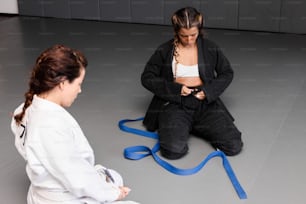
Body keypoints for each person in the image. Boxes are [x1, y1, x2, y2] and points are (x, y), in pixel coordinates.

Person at [11, 45, 139, 204]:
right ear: (63, 83)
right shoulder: (51, 126)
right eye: (78, 84)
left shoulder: (23, 110)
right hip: (62, 198)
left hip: (41, 192)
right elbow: (77, 178)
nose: (79, 90)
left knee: (114, 176)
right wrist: (113, 194)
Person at [141, 7, 243, 160]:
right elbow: (147, 77)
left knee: (233, 146)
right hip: (176, 102)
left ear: (199, 29)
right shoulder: (165, 50)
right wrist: (176, 90)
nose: (189, 40)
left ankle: (191, 126)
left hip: (204, 101)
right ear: (176, 31)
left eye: (193, 35)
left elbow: (227, 73)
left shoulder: (210, 48)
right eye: (184, 36)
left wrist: (208, 91)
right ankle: (185, 126)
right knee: (173, 151)